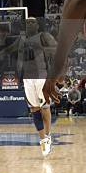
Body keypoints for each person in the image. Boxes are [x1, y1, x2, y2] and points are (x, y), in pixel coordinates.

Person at [18, 18, 57, 157]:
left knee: (45, 107)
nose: (29, 24)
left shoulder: (44, 36)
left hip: (42, 75)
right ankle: (43, 141)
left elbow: (55, 49)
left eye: (32, 22)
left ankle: (48, 135)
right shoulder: (22, 40)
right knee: (34, 109)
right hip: (28, 78)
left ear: (37, 25)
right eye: (27, 22)